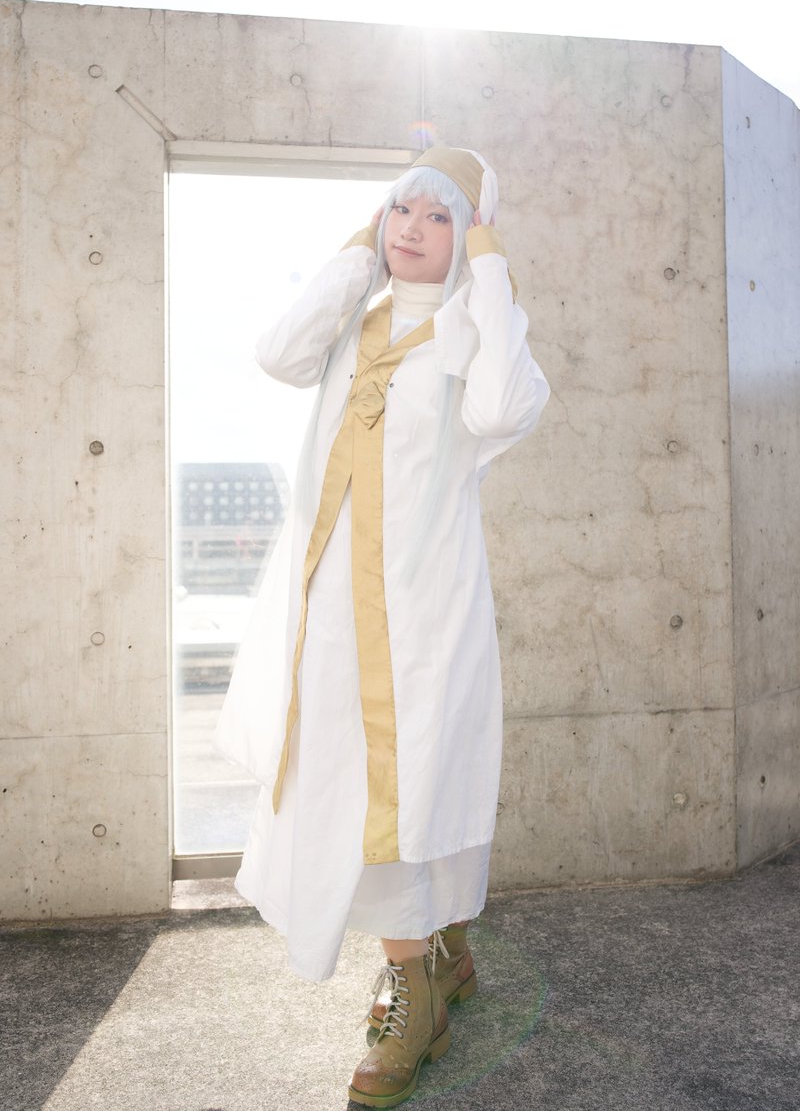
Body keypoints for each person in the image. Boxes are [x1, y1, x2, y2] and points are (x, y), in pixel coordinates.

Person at [213, 146, 550, 1106]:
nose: (413, 228)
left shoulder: (476, 333)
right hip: (328, 611)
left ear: (473, 237)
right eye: (402, 208)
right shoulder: (354, 324)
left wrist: (489, 272)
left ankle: (416, 992)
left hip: (421, 610)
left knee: (413, 778)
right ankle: (440, 954)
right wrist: (357, 256)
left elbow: (503, 408)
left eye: (441, 217)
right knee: (354, 781)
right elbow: (278, 353)